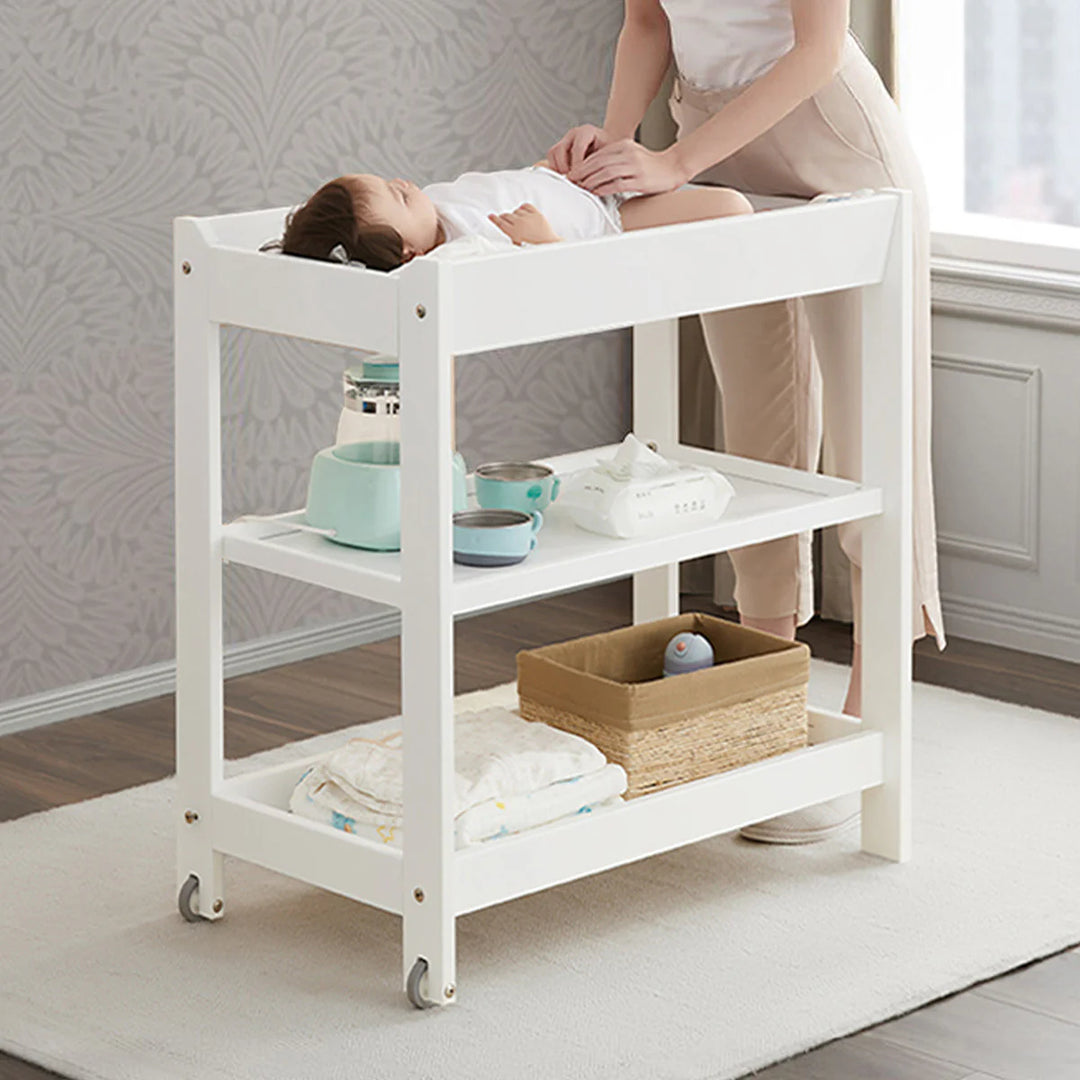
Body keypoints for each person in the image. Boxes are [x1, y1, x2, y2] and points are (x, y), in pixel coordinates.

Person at [548, 0, 945, 844]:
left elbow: (820, 48)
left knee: (873, 438)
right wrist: (609, 158)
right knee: (756, 434)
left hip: (834, 150)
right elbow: (649, 22)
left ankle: (875, 715)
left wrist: (675, 160)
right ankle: (760, 696)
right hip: (716, 148)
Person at [262, 162, 752, 269]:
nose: (408, 186)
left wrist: (549, 170)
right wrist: (542, 243)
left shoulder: (436, 205)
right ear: (408, 252)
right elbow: (543, 278)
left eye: (394, 181)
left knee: (734, 205)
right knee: (731, 208)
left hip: (584, 189)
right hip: (609, 226)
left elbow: (503, 185)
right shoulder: (463, 251)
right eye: (401, 198)